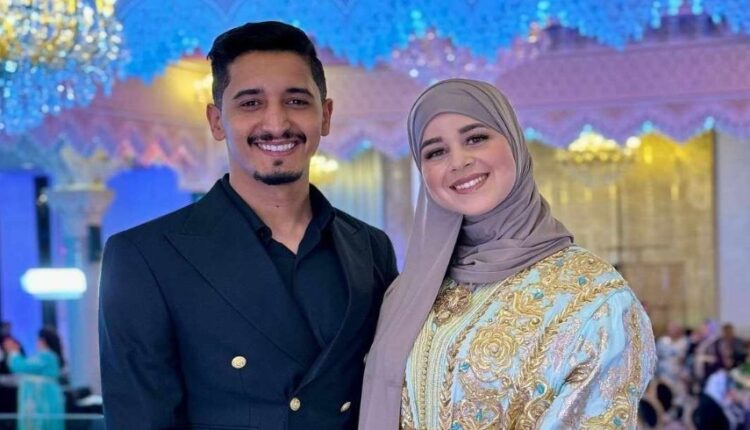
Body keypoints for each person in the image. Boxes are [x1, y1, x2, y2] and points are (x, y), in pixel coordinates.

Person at [99, 21, 398, 430]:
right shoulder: (143, 256)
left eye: (296, 101)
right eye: (251, 103)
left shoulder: (371, 247)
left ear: (325, 115)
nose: (276, 123)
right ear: (216, 121)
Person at [360, 79, 656, 429]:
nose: (458, 161)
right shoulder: (409, 292)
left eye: (475, 138)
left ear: (514, 142)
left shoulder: (597, 299)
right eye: (435, 152)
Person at [3, 327, 64, 430]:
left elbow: (22, 366)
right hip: (42, 398)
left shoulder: (47, 357)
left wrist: (13, 351)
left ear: (43, 341)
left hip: (44, 400)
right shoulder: (45, 357)